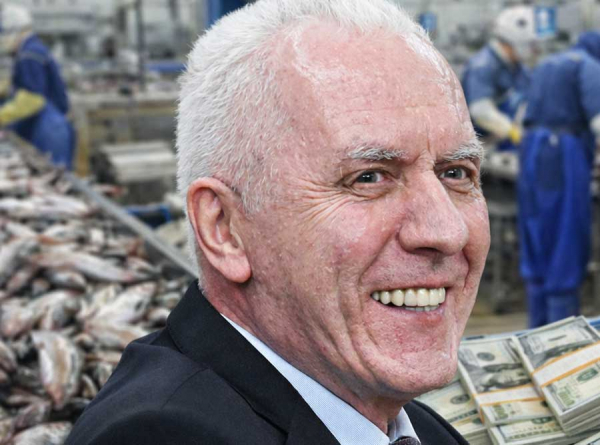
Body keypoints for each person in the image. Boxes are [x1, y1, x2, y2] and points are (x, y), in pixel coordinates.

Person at [66, 0, 490, 444]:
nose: (447, 231)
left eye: (456, 173)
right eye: (368, 178)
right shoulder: (164, 435)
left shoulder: (412, 427)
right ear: (224, 229)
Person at [518, 31, 600, 328]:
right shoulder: (589, 66)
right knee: (566, 235)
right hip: (563, 154)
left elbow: (522, 112)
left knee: (537, 234)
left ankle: (536, 332)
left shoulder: (547, 63)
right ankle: (562, 336)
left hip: (532, 150)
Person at [0, 3, 74, 169]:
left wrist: (1, 115)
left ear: (13, 31)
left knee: (54, 175)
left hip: (49, 130)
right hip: (49, 126)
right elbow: (26, 84)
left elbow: (32, 99)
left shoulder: (29, 54)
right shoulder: (31, 50)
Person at [461, 6, 539, 151]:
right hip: (483, 145)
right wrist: (511, 131)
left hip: (508, 143)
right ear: (512, 42)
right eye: (528, 44)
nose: (532, 50)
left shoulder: (518, 68)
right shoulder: (482, 66)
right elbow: (480, 111)